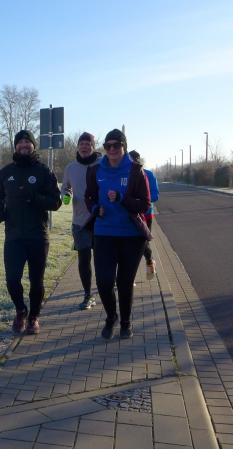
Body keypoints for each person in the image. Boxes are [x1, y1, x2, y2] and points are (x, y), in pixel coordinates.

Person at [0, 130, 62, 335]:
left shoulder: (43, 171)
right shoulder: (5, 173)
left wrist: (35, 198)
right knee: (12, 280)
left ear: (33, 145)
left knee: (36, 281)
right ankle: (21, 310)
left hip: (38, 236)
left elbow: (56, 202)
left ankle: (34, 317)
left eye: (27, 142)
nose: (24, 145)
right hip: (14, 237)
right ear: (15, 146)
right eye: (20, 142)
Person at [85, 129, 150, 340]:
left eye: (116, 145)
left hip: (131, 235)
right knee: (103, 281)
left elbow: (145, 204)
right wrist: (96, 209)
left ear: (124, 147)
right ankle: (111, 316)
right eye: (108, 146)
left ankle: (126, 322)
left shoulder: (135, 171)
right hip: (104, 233)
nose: (112, 149)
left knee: (124, 282)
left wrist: (122, 198)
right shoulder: (95, 170)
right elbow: (89, 197)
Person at [62, 132, 101, 310]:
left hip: (100, 219)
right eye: (82, 144)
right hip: (79, 222)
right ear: (77, 147)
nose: (84, 146)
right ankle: (87, 295)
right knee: (83, 260)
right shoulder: (70, 168)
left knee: (103, 260)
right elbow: (65, 188)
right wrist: (66, 195)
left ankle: (107, 287)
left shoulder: (102, 164)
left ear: (93, 146)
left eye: (88, 144)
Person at [129, 150, 159, 279]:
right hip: (130, 214)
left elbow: (155, 195)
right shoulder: (125, 174)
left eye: (134, 160)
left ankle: (149, 260)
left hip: (146, 214)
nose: (132, 163)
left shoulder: (149, 174)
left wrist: (141, 200)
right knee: (129, 245)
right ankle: (129, 277)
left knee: (143, 242)